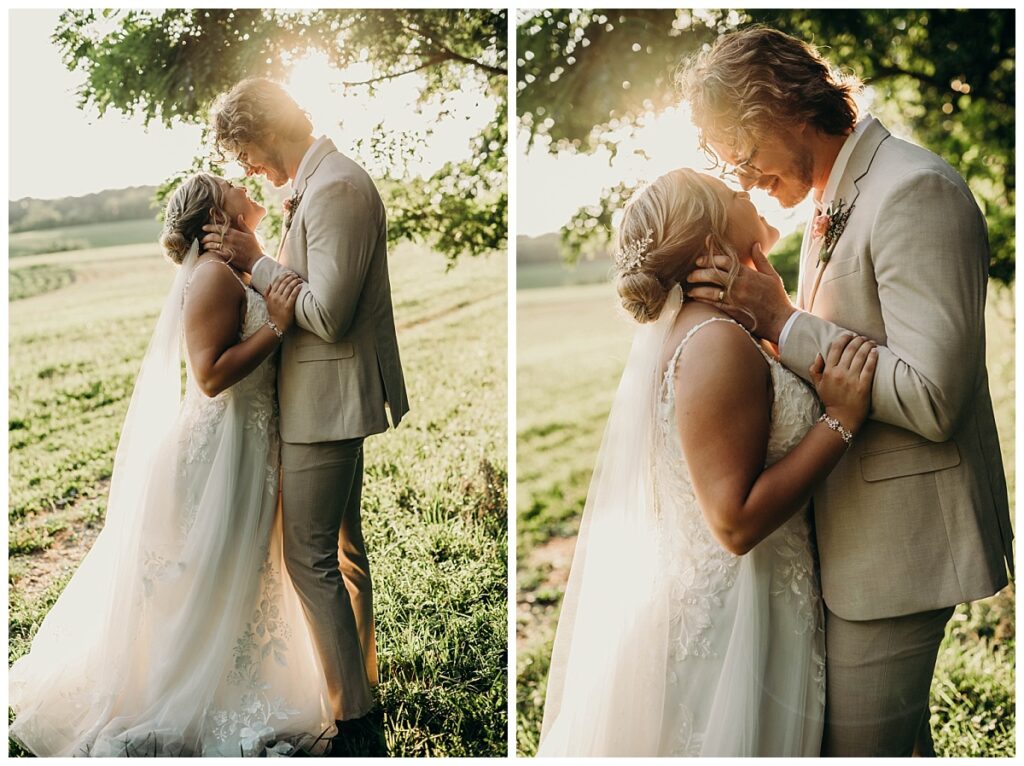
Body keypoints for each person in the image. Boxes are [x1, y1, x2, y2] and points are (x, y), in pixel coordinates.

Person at [678, 26, 1013, 756]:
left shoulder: (914, 190)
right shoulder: (837, 196)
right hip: (852, 543)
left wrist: (782, 322)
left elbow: (932, 397)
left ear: (784, 107)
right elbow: (841, 349)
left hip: (903, 551)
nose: (741, 175)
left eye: (743, 150)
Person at [539, 167, 878, 756]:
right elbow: (733, 522)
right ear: (710, 243)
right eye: (729, 194)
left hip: (759, 599)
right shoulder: (716, 343)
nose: (745, 189)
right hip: (733, 624)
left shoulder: (724, 330)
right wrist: (841, 421)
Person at [9, 173, 337, 756]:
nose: (245, 185)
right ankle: (179, 695)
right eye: (234, 184)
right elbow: (210, 376)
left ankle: (235, 686)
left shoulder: (237, 269)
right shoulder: (212, 275)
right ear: (218, 215)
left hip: (251, 443)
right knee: (205, 576)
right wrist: (280, 327)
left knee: (233, 573)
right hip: (218, 454)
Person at [203, 78, 409, 751]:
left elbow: (326, 313)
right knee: (343, 554)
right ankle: (361, 686)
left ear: (262, 135)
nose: (248, 171)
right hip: (319, 397)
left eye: (245, 155)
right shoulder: (317, 185)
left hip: (328, 402)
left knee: (309, 558)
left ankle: (354, 723)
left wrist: (255, 261)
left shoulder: (338, 188)